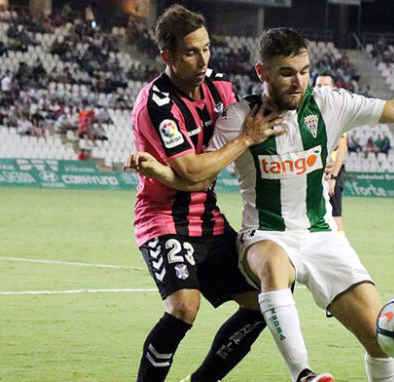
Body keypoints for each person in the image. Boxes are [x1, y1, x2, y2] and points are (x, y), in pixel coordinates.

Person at [207, 27, 394, 382]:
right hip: (265, 234)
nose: (298, 81)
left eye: (304, 70)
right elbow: (200, 171)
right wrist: (241, 142)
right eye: (286, 73)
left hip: (321, 236)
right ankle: (303, 374)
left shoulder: (330, 105)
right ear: (262, 72)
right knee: (272, 265)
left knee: (381, 338)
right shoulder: (239, 118)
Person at [122, 6, 285, 382]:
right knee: (184, 307)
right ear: (168, 56)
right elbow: (191, 172)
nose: (203, 59)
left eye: (207, 48)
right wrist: (245, 139)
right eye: (191, 52)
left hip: (206, 216)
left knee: (264, 302)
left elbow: (257, 116)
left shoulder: (220, 87)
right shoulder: (156, 104)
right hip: (162, 217)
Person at [315, 72, 347, 235]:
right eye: (319, 85)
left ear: (333, 88)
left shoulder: (337, 113)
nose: (321, 89)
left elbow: (342, 147)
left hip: (331, 173)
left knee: (335, 216)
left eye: (325, 85)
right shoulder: (309, 111)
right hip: (313, 171)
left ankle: (341, 252)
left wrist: (333, 177)